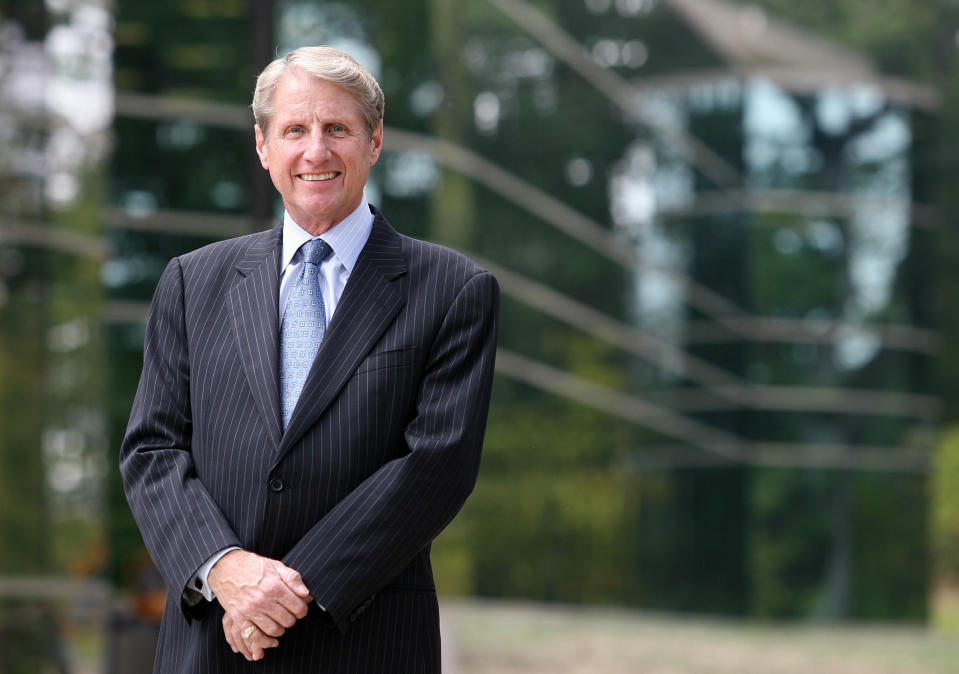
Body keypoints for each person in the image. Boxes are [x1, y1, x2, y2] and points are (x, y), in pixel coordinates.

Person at [120, 45, 499, 673]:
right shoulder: (192, 282)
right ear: (264, 147)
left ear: (374, 142)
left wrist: (284, 594)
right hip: (213, 643)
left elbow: (437, 463)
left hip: (367, 641)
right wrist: (229, 571)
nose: (316, 151)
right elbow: (153, 450)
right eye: (295, 129)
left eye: (338, 129)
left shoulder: (452, 289)